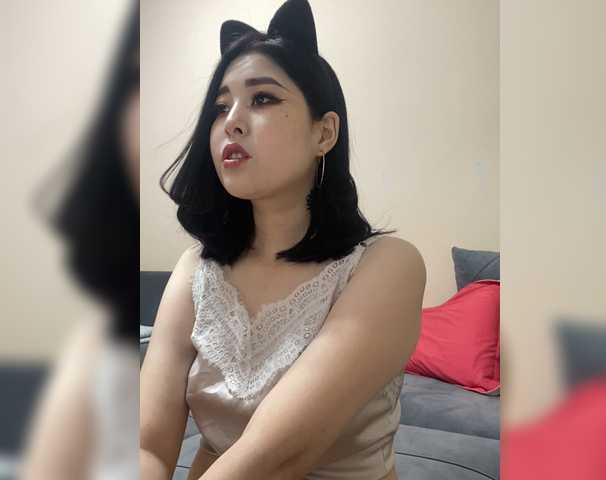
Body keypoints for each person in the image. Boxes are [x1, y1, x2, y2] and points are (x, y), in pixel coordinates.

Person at [140, 1, 426, 479]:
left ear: (324, 133)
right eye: (220, 107)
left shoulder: (388, 265)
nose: (231, 121)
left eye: (263, 99)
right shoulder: (196, 269)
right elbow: (148, 444)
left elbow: (276, 456)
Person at [19, 2, 140, 479]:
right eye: (134, 79)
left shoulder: (364, 270)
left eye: (262, 98)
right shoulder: (98, 348)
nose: (231, 122)